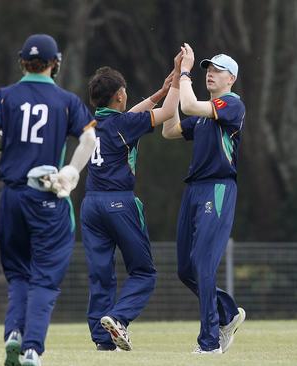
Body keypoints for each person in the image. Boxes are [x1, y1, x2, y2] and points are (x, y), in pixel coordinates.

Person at [0, 34, 96, 366]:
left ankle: (13, 332)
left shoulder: (5, 95)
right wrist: (71, 171)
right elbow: (89, 137)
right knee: (45, 276)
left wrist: (5, 144)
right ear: (55, 63)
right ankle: (32, 348)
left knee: (18, 274)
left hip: (12, 196)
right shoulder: (66, 100)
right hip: (46, 195)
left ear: (22, 62)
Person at [80, 59, 180, 351]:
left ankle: (103, 340)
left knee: (101, 275)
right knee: (144, 273)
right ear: (120, 95)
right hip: (119, 203)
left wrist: (160, 92)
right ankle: (119, 318)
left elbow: (134, 115)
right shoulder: (125, 124)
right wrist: (180, 77)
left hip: (90, 206)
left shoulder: (92, 124)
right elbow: (169, 113)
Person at [161, 44, 245, 354]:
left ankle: (209, 343)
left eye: (217, 70)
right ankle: (228, 313)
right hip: (194, 190)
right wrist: (173, 82)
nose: (209, 73)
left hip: (218, 188)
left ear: (231, 78)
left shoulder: (232, 105)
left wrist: (186, 73)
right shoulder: (203, 115)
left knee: (204, 264)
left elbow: (192, 105)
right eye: (207, 69)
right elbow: (169, 129)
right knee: (186, 269)